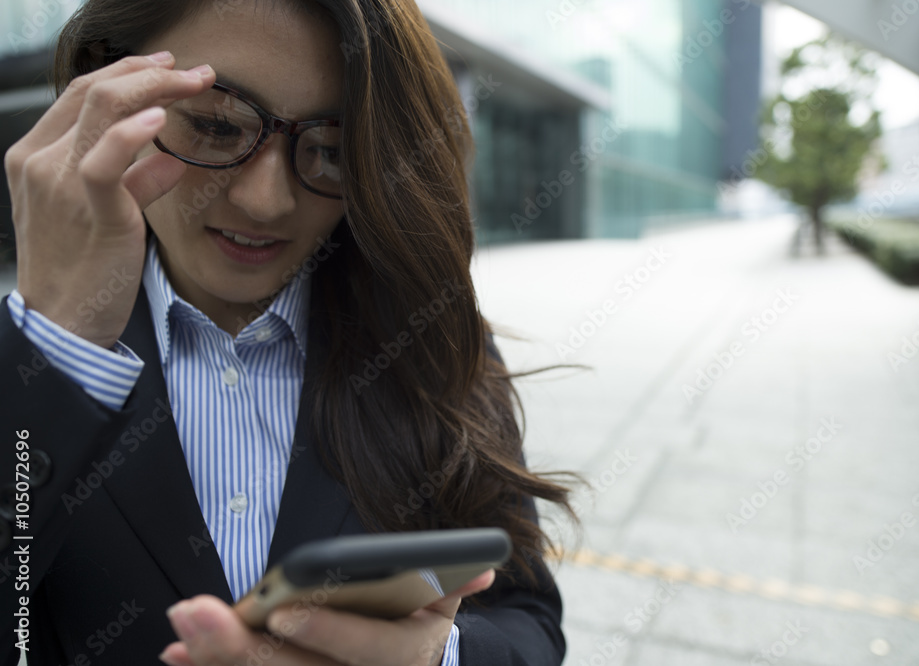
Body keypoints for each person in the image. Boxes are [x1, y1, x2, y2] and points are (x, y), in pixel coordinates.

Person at [0, 0, 580, 664]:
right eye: (216, 126)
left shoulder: (429, 340)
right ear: (105, 89)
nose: (264, 201)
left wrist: (438, 656)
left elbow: (526, 619)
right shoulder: (29, 359)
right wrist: (54, 354)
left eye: (331, 151)